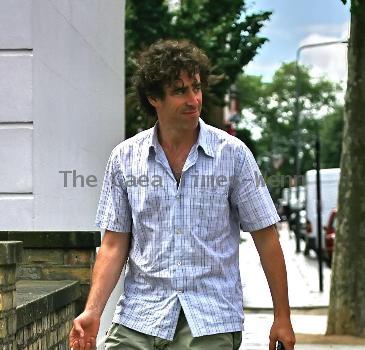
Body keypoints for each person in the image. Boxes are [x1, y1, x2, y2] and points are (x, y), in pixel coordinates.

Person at [69, 39, 296, 350]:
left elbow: (266, 237)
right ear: (153, 98)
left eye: (196, 87)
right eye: (180, 91)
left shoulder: (233, 155)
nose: (194, 99)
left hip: (210, 320)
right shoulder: (124, 159)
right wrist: (92, 311)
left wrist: (282, 316)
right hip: (140, 316)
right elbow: (112, 245)